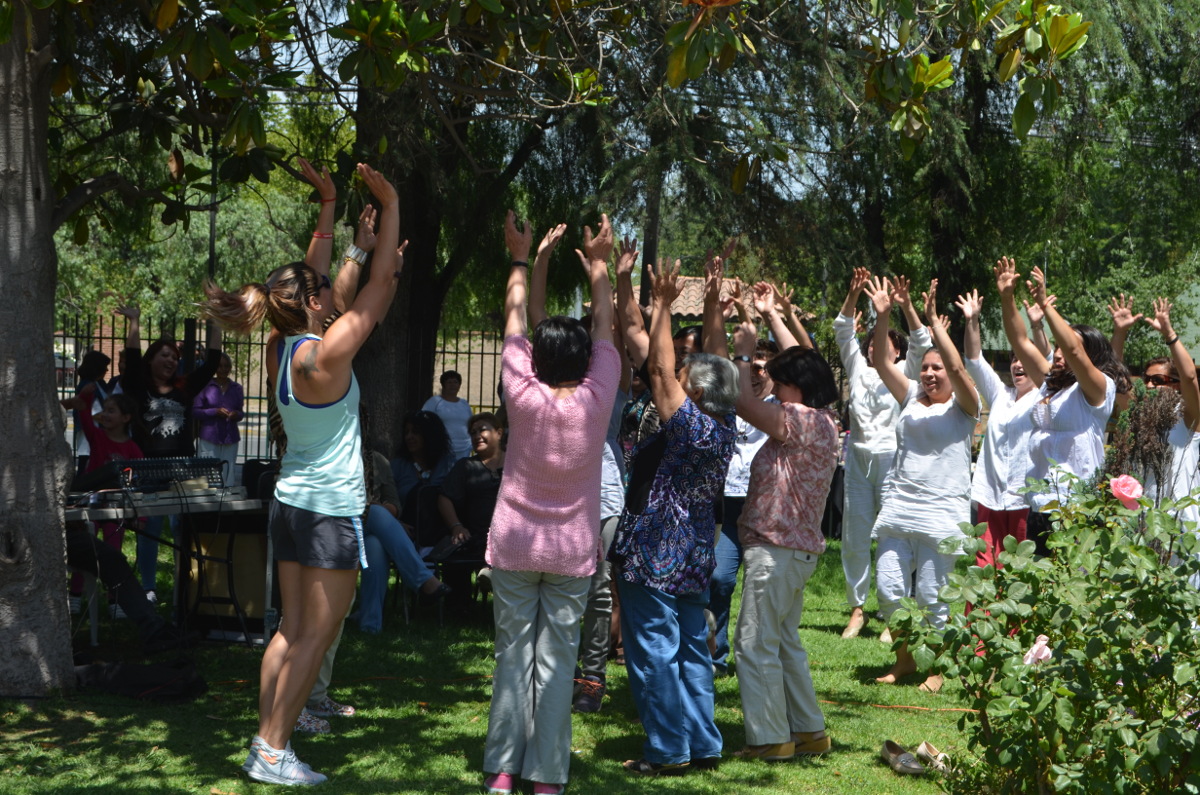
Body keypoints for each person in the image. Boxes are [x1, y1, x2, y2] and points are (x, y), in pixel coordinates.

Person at [203, 160, 404, 785]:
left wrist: (330, 207)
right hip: (327, 511)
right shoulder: (326, 353)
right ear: (312, 303)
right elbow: (383, 283)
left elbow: (316, 278)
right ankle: (271, 749)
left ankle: (267, 743)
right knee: (315, 637)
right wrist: (391, 204)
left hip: (291, 504)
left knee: (291, 633)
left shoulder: (279, 346)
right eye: (319, 288)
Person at [481, 211, 619, 795]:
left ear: (537, 357)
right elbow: (608, 326)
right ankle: (546, 779)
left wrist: (520, 256)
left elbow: (516, 316)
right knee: (557, 665)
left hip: (513, 543)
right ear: (586, 359)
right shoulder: (598, 392)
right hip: (570, 553)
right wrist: (600, 268)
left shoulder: (520, 391)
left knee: (512, 659)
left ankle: (503, 773)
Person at [610, 258, 738, 777]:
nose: (677, 379)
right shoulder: (724, 423)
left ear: (697, 393)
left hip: (654, 553)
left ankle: (666, 750)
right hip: (693, 555)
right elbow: (719, 363)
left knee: (653, 654)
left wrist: (662, 304)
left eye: (689, 378)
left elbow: (662, 370)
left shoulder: (688, 425)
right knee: (691, 651)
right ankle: (703, 743)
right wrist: (711, 308)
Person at [728, 310, 841, 761]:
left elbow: (739, 402)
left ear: (793, 386)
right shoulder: (825, 419)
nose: (769, 388)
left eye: (776, 380)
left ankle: (771, 739)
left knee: (754, 644)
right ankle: (809, 731)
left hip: (775, 551)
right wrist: (776, 314)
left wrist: (742, 351)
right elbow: (809, 359)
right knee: (785, 642)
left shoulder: (796, 418)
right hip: (795, 553)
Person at [866, 277, 979, 693]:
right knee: (889, 588)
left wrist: (935, 324)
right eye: (926, 367)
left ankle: (938, 668)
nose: (931, 374)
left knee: (934, 596)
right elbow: (880, 361)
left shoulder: (965, 407)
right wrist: (882, 316)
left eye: (938, 368)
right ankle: (905, 659)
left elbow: (961, 368)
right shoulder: (911, 395)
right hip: (899, 507)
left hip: (942, 512)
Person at [999, 258, 1128, 554]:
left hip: (1076, 507)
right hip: (1040, 504)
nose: (1058, 353)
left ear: (1090, 356)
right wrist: (1007, 298)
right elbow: (1019, 339)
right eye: (1055, 348)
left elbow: (1073, 348)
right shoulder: (1049, 383)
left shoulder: (1098, 389)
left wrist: (1046, 306)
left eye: (1063, 347)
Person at [832, 268, 932, 640]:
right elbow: (843, 329)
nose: (872, 346)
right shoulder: (858, 368)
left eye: (881, 342)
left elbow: (922, 340)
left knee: (894, 536)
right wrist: (854, 294)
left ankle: (895, 612)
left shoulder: (905, 373)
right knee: (855, 536)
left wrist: (893, 310)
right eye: (870, 342)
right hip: (857, 461)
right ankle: (857, 609)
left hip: (893, 461)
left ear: (897, 352)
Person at [117, 304, 223, 597]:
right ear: (151, 360)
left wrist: (216, 324)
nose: (172, 360)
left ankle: (184, 587)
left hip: (183, 467)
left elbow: (212, 363)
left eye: (175, 357)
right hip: (147, 469)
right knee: (150, 528)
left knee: (184, 529)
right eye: (164, 355)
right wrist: (135, 322)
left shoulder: (185, 387)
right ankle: (148, 587)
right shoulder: (138, 386)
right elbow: (133, 357)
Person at [957, 287, 1040, 572]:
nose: (1018, 364)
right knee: (985, 564)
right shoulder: (1000, 394)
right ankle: (978, 618)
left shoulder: (1044, 396)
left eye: (1025, 359)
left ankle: (1013, 620)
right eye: (1015, 358)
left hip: (1023, 499)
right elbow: (974, 360)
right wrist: (972, 321)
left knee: (1017, 568)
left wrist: (1038, 325)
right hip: (990, 495)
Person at [438, 412, 505, 615]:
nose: (477, 435)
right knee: (456, 552)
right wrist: (456, 526)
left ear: (499, 433)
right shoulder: (466, 466)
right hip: (476, 536)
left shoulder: (516, 464)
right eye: (473, 432)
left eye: (482, 429)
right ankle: (461, 609)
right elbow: (444, 498)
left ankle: (492, 574)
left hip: (511, 537)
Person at [390, 410, 455, 536]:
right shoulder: (397, 466)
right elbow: (387, 502)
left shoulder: (448, 463)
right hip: (405, 534)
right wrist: (397, 524)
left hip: (442, 537)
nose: (409, 437)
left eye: (416, 432)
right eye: (406, 432)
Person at [193, 352, 244, 485]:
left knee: (228, 472)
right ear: (215, 368)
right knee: (208, 473)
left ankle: (227, 498)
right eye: (220, 366)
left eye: (226, 366)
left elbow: (241, 413)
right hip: (209, 435)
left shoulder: (237, 388)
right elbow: (195, 412)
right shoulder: (205, 387)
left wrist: (235, 415)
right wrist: (214, 412)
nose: (223, 369)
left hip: (230, 436)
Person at [423, 370, 474, 461]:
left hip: (464, 449)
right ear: (443, 385)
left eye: (455, 382)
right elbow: (423, 420)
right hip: (442, 449)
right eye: (449, 382)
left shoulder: (464, 403)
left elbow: (471, 424)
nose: (452, 385)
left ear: (459, 385)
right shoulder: (434, 402)